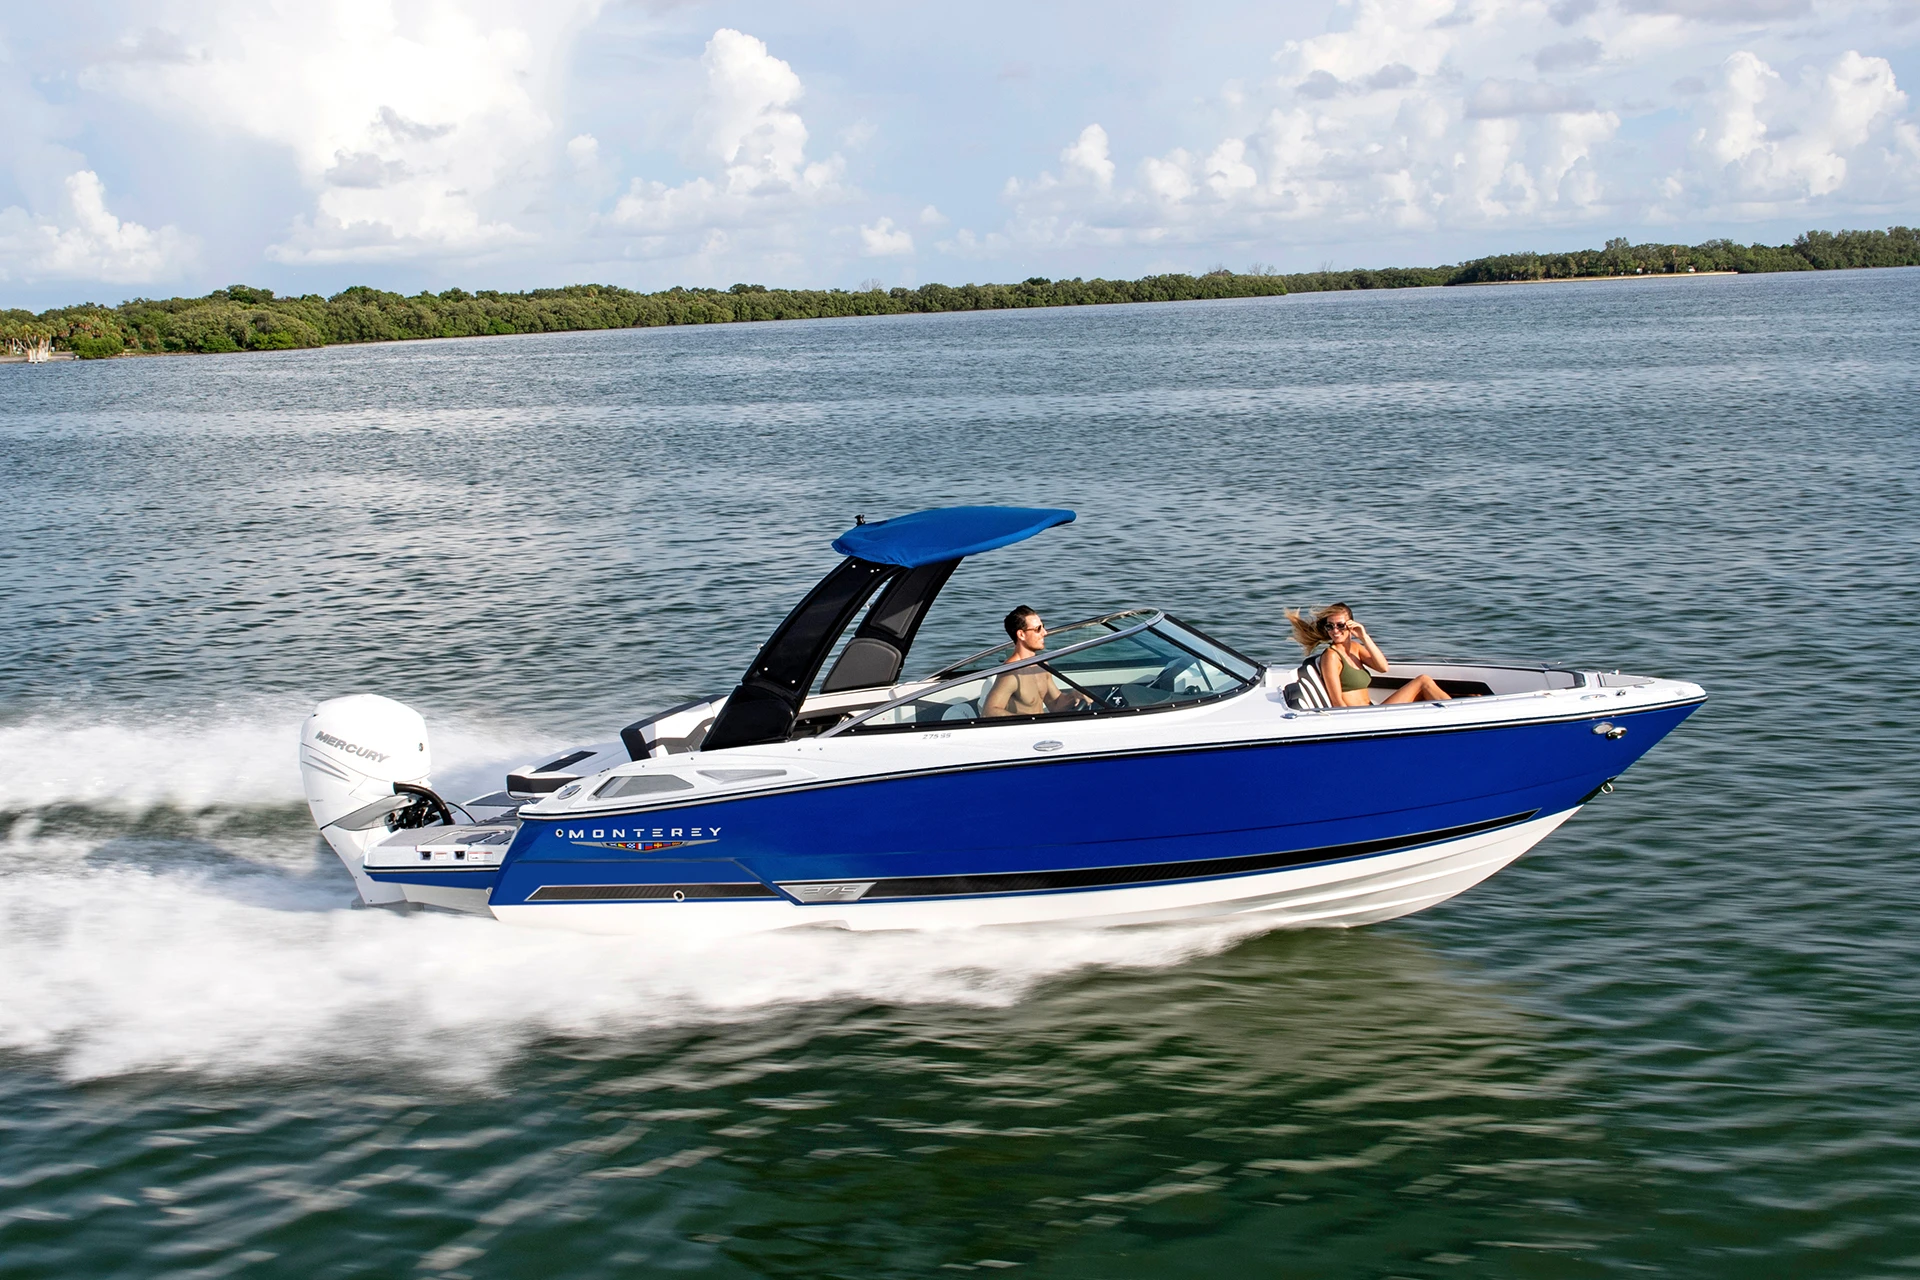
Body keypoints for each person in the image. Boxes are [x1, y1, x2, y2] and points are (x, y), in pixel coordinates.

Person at [1286, 603, 1451, 707]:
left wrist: (1364, 636)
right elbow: (1337, 701)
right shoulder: (1331, 656)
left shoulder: (1356, 648)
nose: (1335, 631)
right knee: (1423, 681)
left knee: (1425, 690)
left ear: (1351, 625)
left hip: (1372, 710)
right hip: (1363, 717)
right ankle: (1457, 715)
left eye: (1340, 625)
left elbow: (1382, 667)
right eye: (1330, 626)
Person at [983, 606, 1094, 717]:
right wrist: (1025, 721)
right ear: (1021, 634)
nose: (1044, 633)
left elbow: (1055, 705)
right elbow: (989, 711)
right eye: (1038, 629)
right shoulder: (1011, 671)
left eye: (1043, 627)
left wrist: (1074, 695)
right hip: (1026, 732)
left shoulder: (1042, 666)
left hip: (1042, 729)